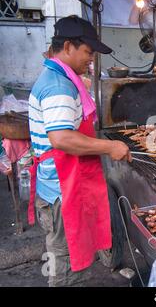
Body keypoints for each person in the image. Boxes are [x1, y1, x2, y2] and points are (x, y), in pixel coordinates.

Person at [28, 15, 132, 287]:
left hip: (65, 186)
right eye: (88, 52)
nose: (91, 59)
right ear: (68, 47)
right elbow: (61, 138)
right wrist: (110, 146)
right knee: (66, 269)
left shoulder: (60, 76)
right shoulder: (58, 85)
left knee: (73, 260)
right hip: (62, 192)